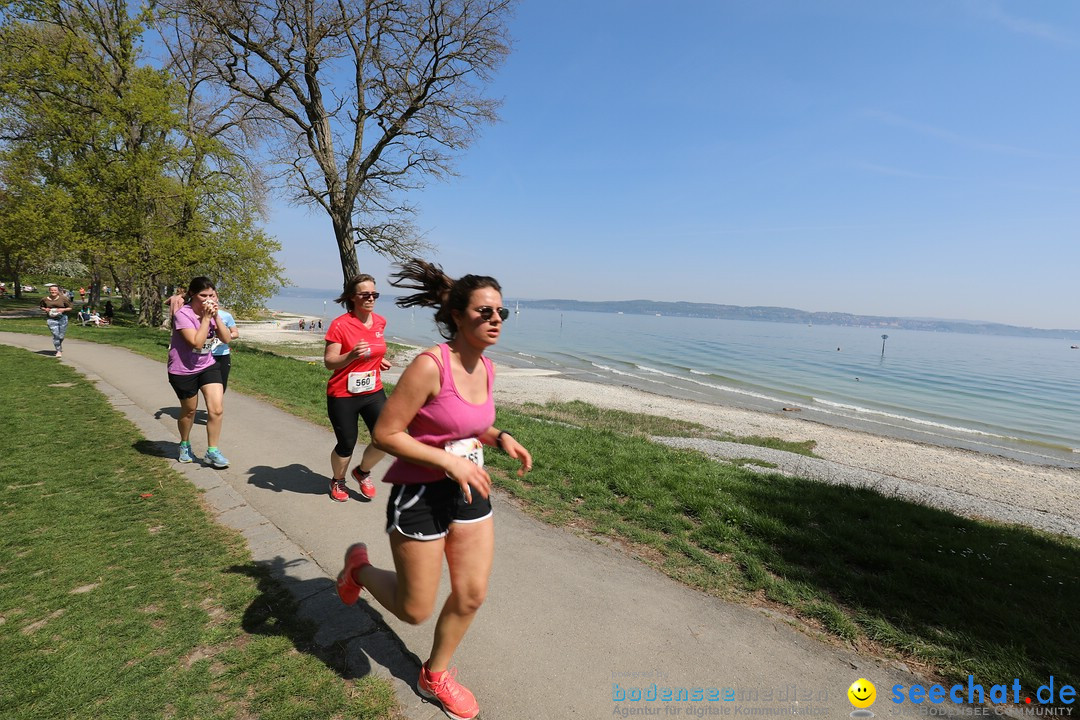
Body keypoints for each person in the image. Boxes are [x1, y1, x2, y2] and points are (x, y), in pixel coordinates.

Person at [336, 259, 532, 720]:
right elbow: (387, 433)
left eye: (501, 312)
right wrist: (447, 461)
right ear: (458, 316)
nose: (496, 320)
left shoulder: (487, 368)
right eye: (485, 312)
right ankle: (358, 571)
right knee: (414, 609)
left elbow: (466, 422)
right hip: (420, 495)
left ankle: (434, 674)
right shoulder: (430, 366)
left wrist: (499, 437)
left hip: (469, 493)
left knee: (470, 594)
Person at [323, 274, 392, 502]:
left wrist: (379, 360)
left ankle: (362, 472)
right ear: (353, 298)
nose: (371, 298)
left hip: (373, 391)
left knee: (385, 438)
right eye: (365, 295)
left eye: (374, 294)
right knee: (347, 443)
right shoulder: (340, 325)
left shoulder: (380, 321)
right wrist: (351, 356)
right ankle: (338, 480)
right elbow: (329, 362)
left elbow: (376, 348)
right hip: (343, 394)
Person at [168, 277, 231, 468]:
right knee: (189, 411)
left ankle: (212, 451)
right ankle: (185, 444)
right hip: (183, 369)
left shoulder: (213, 314)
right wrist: (205, 319)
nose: (208, 299)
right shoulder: (183, 315)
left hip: (207, 365)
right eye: (203, 295)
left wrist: (216, 317)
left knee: (217, 409)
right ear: (192, 295)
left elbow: (226, 338)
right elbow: (195, 342)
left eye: (211, 295)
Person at [209, 293, 239, 391]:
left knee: (221, 385)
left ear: (217, 298)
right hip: (204, 354)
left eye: (213, 296)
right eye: (207, 296)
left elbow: (235, 333)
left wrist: (225, 336)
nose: (210, 298)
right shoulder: (197, 314)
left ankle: (216, 405)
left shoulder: (226, 316)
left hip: (222, 355)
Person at [40, 284, 73, 358]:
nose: (53, 291)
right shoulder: (45, 299)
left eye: (55, 290)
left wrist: (63, 309)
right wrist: (45, 309)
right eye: (51, 290)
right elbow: (41, 306)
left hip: (62, 318)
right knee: (56, 335)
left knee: (61, 336)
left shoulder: (63, 298)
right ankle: (58, 350)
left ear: (58, 291)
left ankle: (59, 346)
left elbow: (70, 307)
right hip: (51, 319)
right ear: (49, 291)